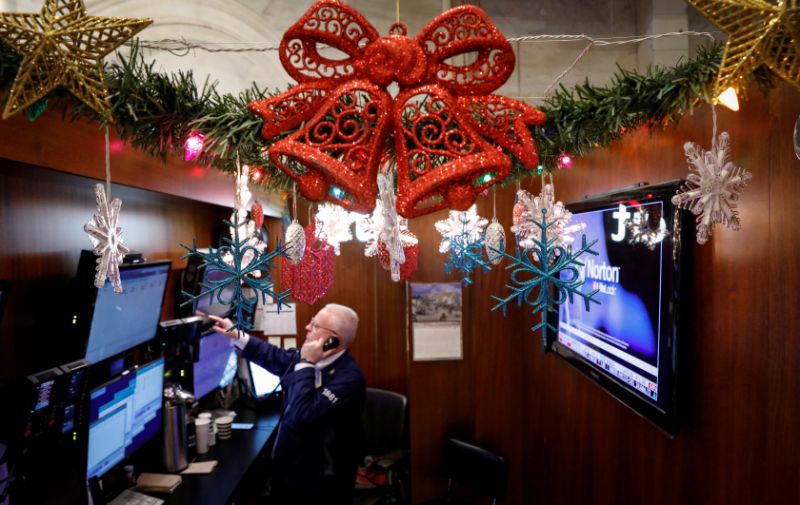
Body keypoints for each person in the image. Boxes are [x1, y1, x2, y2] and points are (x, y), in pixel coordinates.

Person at [208, 303, 366, 505]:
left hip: (319, 484)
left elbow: (303, 415)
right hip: (288, 470)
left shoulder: (348, 379)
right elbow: (274, 355)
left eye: (315, 325)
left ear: (332, 339)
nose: (308, 328)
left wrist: (307, 364)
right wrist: (236, 335)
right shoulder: (303, 358)